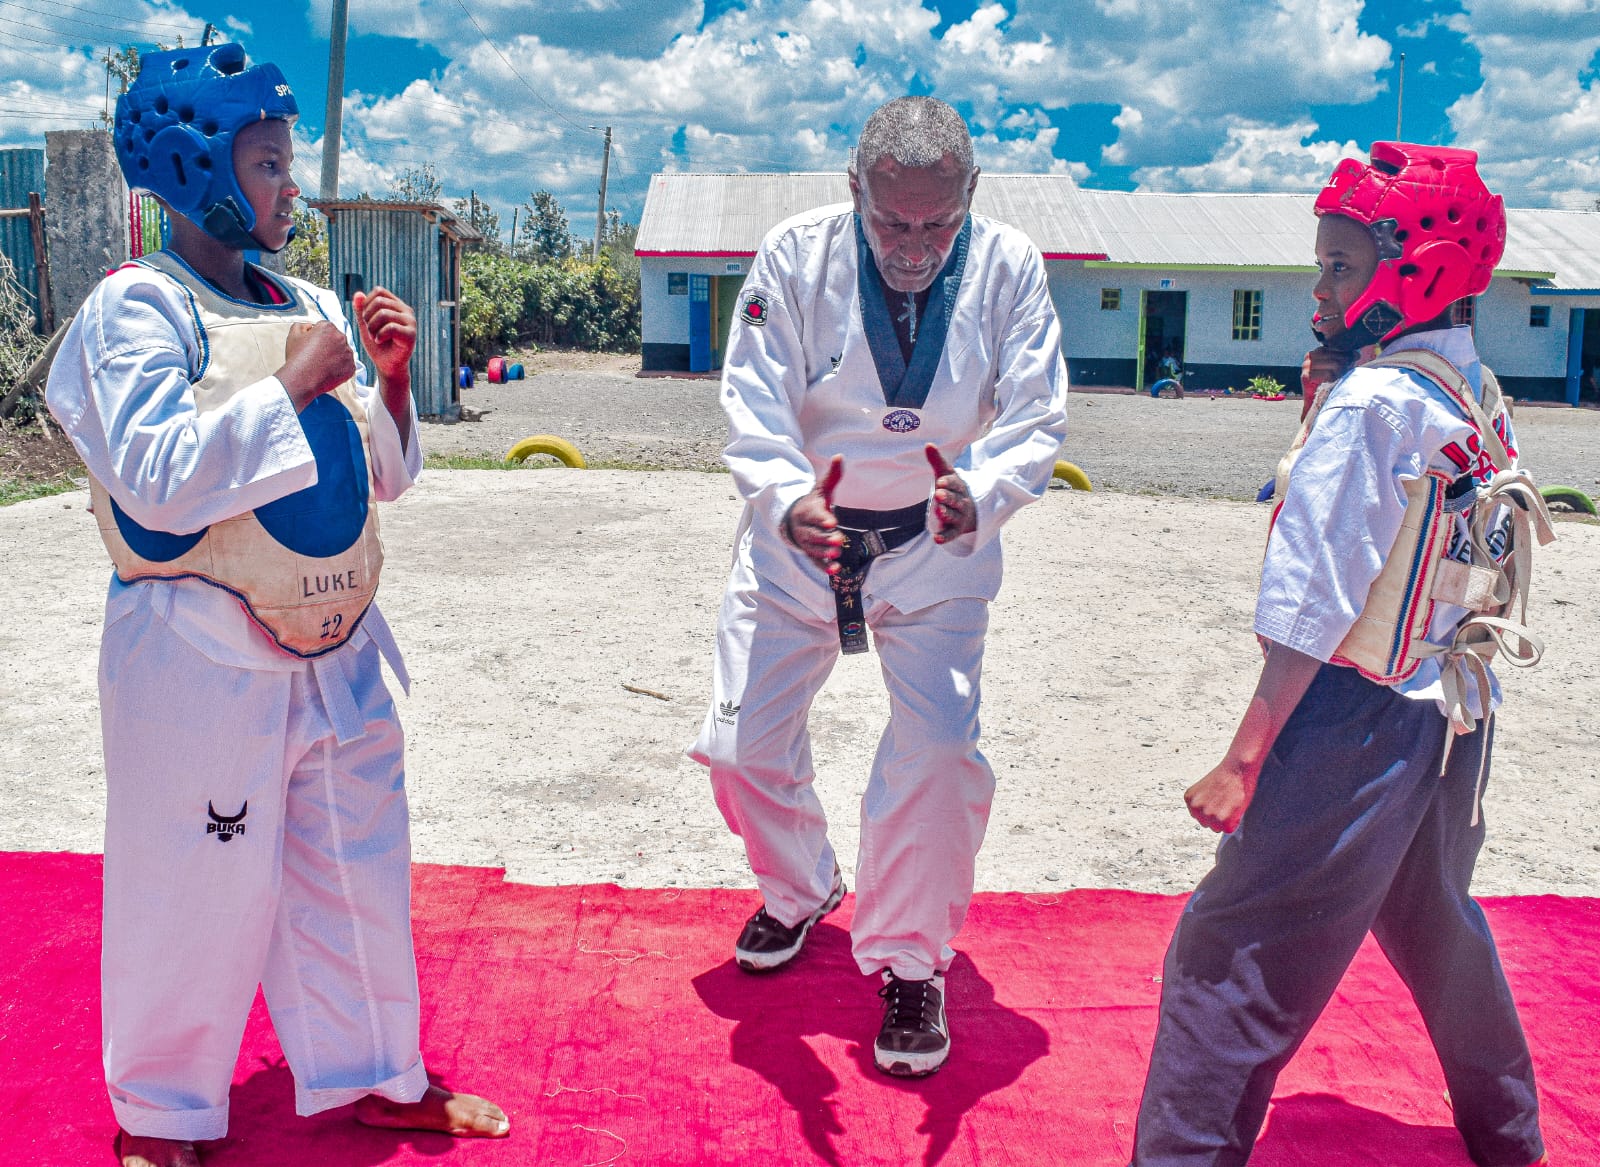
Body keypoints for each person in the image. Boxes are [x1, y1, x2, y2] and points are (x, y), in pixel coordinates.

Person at [45, 44, 508, 1167]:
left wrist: (387, 383)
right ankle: (162, 1112)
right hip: (199, 658)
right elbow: (155, 477)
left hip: (336, 648)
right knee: (194, 886)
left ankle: (380, 1073)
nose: (291, 186)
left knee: (357, 869)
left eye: (288, 162)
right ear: (196, 171)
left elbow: (380, 476)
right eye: (267, 164)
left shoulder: (304, 301)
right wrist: (296, 380)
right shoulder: (138, 308)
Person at [1130, 142, 1552, 1166]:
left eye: (1339, 266)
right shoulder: (1471, 389)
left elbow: (1313, 600)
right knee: (1435, 918)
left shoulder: (1373, 406)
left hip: (1353, 719)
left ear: (1417, 273)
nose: (1317, 288)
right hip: (1452, 712)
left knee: (1232, 948)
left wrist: (1244, 756)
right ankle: (1510, 1134)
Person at [689, 96, 1068, 1078]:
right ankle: (800, 884)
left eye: (938, 224)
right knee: (737, 749)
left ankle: (909, 960)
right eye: (892, 222)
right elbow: (753, 403)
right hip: (799, 538)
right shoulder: (794, 257)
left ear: (971, 194)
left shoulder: (1009, 269)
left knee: (938, 752)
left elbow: (1036, 415)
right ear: (853, 189)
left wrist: (983, 492)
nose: (914, 247)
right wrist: (784, 500)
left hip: (934, 542)